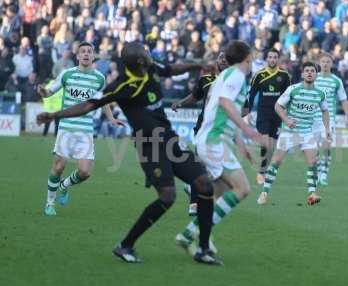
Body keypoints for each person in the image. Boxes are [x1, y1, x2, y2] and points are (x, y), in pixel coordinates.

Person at [37, 41, 221, 266]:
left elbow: (173, 68)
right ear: (141, 61)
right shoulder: (122, 85)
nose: (149, 54)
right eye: (145, 53)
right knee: (167, 196)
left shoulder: (152, 68)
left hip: (170, 140)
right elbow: (88, 105)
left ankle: (202, 249)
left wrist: (199, 64)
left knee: (204, 184)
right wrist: (55, 115)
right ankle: (126, 245)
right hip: (149, 146)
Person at [175, 40, 263, 254]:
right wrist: (247, 128)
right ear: (248, 57)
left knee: (218, 192)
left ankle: (190, 233)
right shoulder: (236, 75)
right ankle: (192, 233)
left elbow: (222, 113)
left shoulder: (224, 76)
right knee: (242, 189)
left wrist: (241, 144)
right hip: (214, 142)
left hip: (212, 140)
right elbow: (225, 103)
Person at [37, 42, 122, 216]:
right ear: (77, 56)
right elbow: (50, 91)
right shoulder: (67, 74)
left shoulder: (99, 78)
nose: (86, 54)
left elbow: (102, 100)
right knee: (59, 167)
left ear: (93, 56)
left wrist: (112, 118)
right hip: (67, 128)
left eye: (89, 52)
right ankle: (49, 203)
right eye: (82, 51)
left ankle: (64, 185)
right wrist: (43, 91)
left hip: (85, 131)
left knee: (85, 172)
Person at [257, 62, 330, 205]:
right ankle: (264, 193)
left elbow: (325, 110)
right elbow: (278, 106)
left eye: (312, 71)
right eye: (307, 70)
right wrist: (286, 119)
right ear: (302, 74)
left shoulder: (320, 94)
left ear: (316, 74)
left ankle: (312, 193)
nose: (309, 73)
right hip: (289, 132)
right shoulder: (293, 89)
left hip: (306, 132)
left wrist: (327, 128)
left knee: (313, 162)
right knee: (276, 162)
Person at [171, 52, 228, 216]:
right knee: (199, 166)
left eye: (227, 59)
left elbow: (245, 107)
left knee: (216, 168)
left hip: (221, 130)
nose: (223, 61)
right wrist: (180, 103)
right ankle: (194, 203)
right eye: (221, 58)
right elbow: (195, 97)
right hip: (202, 128)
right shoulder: (205, 79)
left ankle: (191, 187)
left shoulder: (233, 83)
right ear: (217, 61)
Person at [243, 48, 291, 186]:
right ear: (266, 59)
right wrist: (247, 112)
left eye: (275, 57)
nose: (272, 59)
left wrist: (287, 114)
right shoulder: (259, 75)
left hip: (277, 114)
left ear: (278, 59)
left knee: (271, 147)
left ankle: (264, 169)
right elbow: (251, 94)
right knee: (265, 142)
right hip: (263, 113)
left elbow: (288, 96)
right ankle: (261, 172)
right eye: (270, 57)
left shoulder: (284, 75)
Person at [313, 53, 348, 186]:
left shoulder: (336, 81)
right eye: (323, 61)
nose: (325, 64)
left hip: (329, 120)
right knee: (315, 149)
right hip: (313, 119)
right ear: (319, 63)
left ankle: (323, 174)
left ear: (332, 64)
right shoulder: (313, 78)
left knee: (326, 145)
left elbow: (344, 100)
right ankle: (318, 172)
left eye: (328, 62)